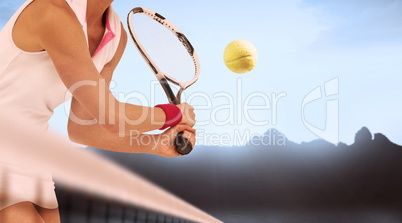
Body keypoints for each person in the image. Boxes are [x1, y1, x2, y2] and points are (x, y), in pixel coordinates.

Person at [0, 0, 196, 222]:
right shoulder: (51, 11)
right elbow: (110, 116)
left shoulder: (116, 37)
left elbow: (82, 129)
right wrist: (174, 115)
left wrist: (156, 144)